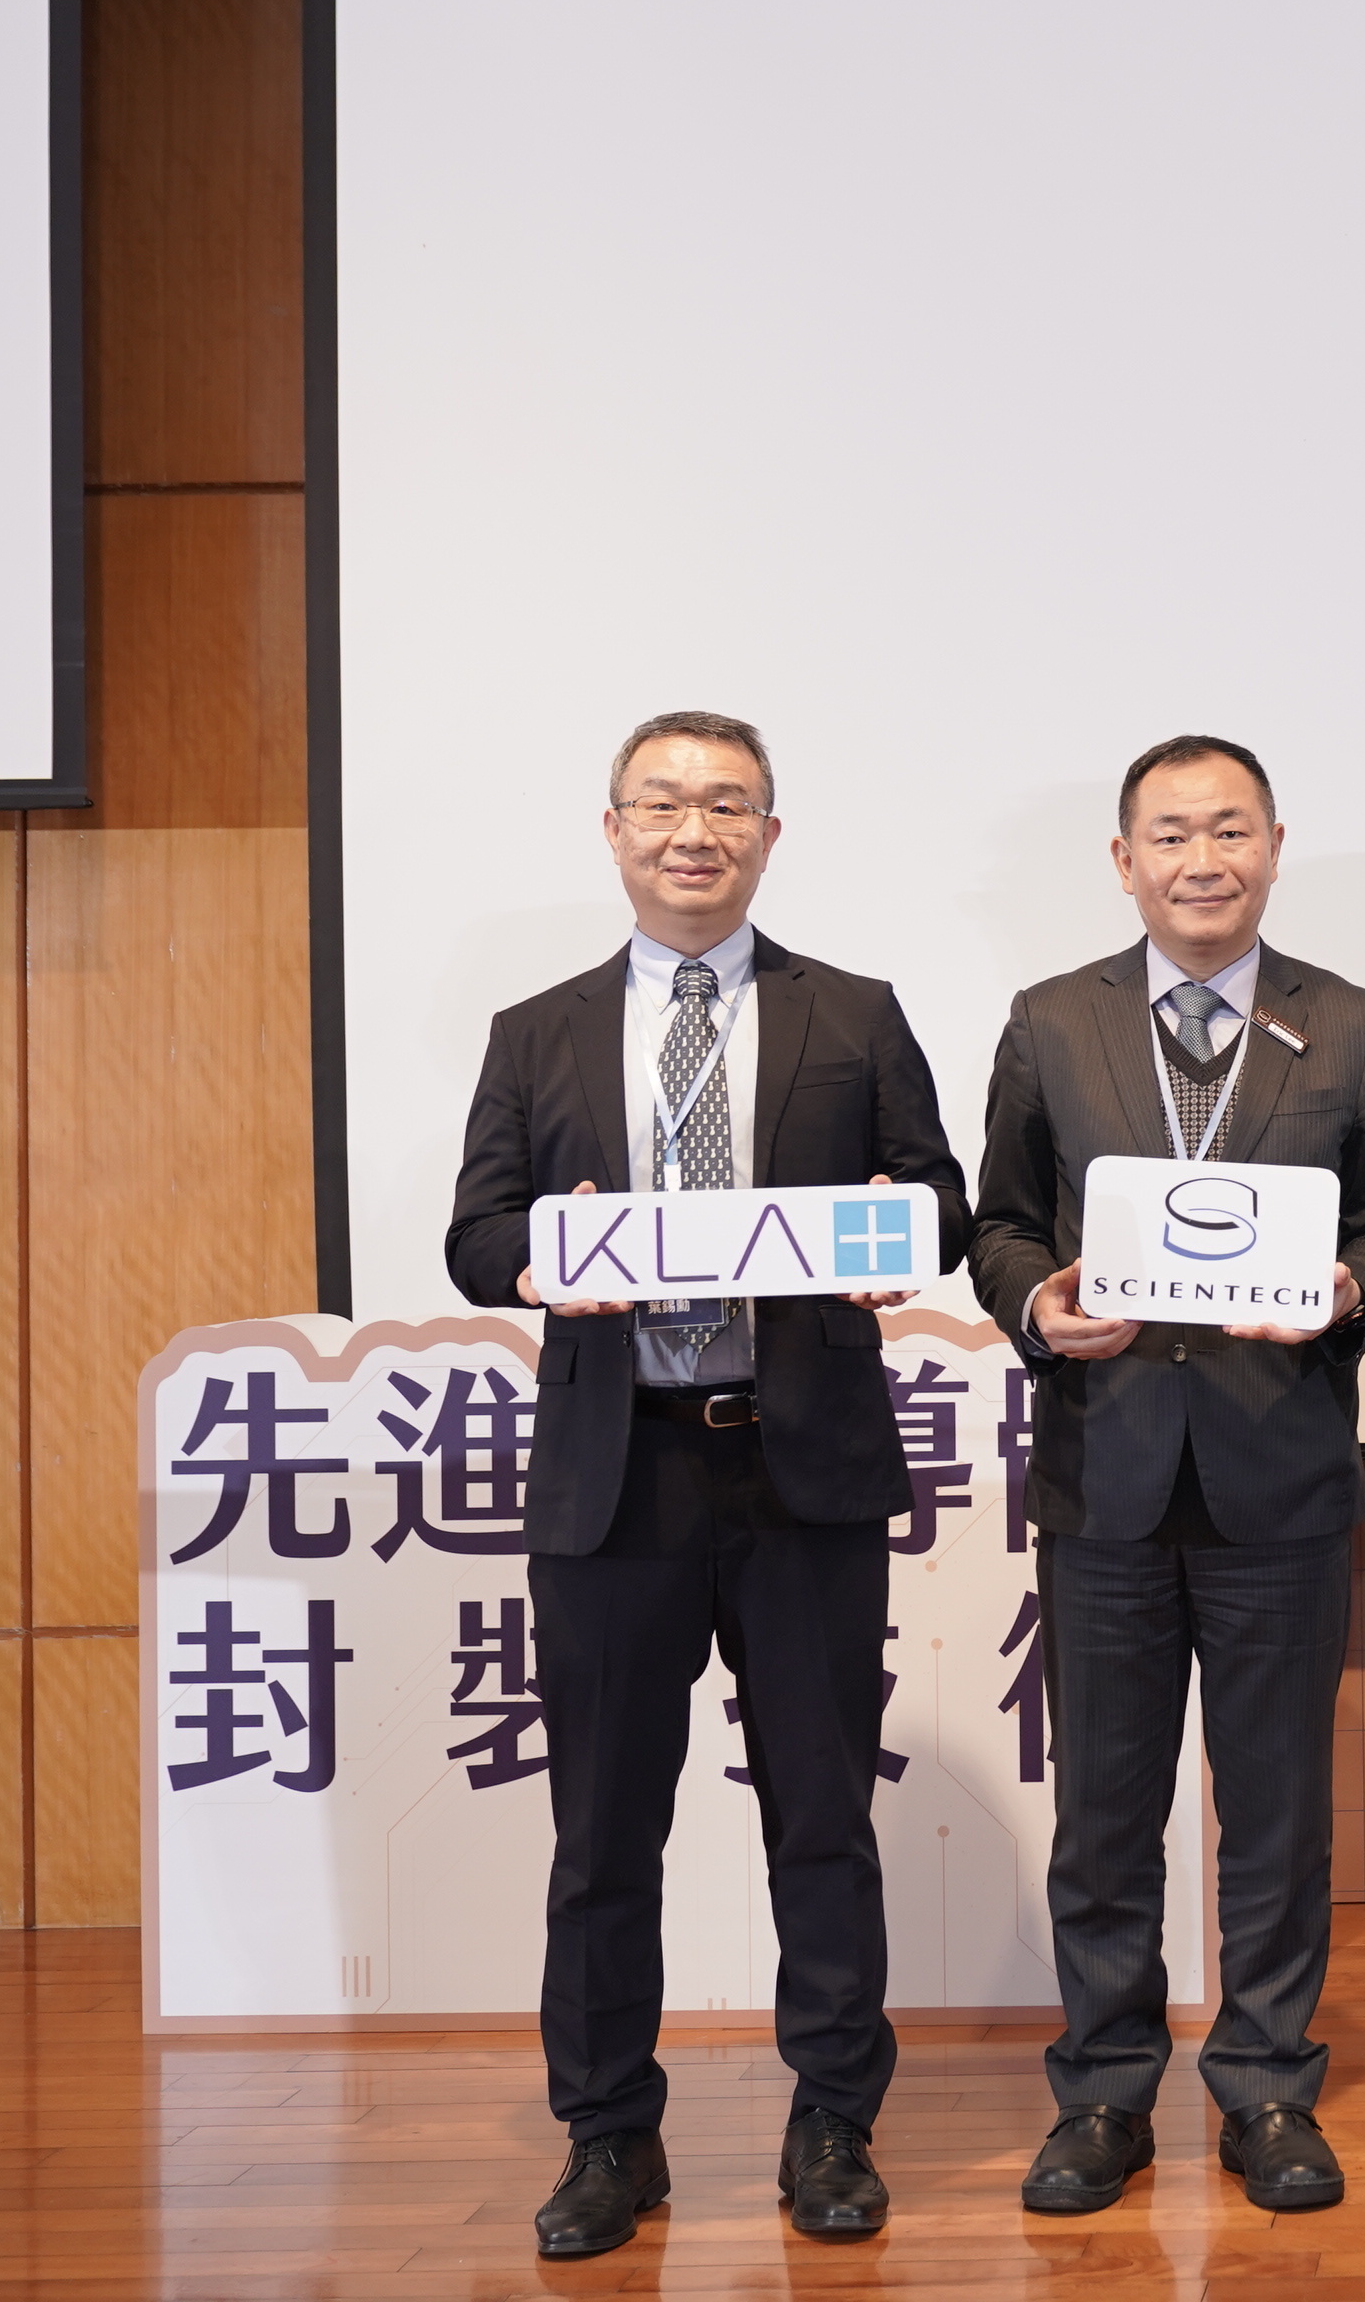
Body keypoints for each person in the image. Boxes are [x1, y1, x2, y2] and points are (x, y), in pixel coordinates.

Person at [445, 709, 969, 2259]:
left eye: (727, 804)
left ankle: (832, 2126)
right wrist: (560, 1254)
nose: (695, 829)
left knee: (822, 1817)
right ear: (613, 829)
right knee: (605, 1831)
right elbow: (477, 1239)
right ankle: (610, 2138)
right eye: (663, 803)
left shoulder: (854, 1014)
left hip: (797, 1467)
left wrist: (894, 1234)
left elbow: (934, 1199)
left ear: (769, 834)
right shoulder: (535, 1030)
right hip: (617, 1481)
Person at [966, 735, 1365, 2217]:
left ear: (1276, 846)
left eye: (1230, 830)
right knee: (1107, 1813)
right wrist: (1038, 1302)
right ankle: (1103, 2093)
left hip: (1278, 1472)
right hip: (1104, 1474)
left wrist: (1349, 1292)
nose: (1203, 859)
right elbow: (999, 1224)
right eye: (1171, 835)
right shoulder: (1051, 1022)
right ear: (1124, 862)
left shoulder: (1350, 1025)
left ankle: (1269, 2088)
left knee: (1277, 1809)